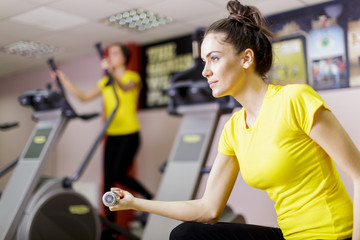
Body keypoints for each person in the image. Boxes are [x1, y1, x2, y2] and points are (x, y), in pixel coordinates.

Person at [105, 1, 358, 239]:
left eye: (214, 58)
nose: (205, 71)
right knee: (186, 235)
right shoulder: (234, 129)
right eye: (204, 61)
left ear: (246, 58)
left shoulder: (295, 99)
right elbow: (208, 209)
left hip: (333, 234)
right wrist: (134, 202)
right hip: (290, 235)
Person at [52, 43, 153, 223]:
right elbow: (83, 97)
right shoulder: (105, 82)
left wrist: (110, 72)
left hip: (129, 134)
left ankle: (150, 197)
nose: (109, 57)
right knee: (108, 180)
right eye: (109, 54)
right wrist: (64, 79)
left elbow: (125, 87)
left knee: (118, 174)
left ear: (124, 58)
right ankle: (110, 225)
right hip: (111, 134)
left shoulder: (133, 77)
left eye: (114, 54)